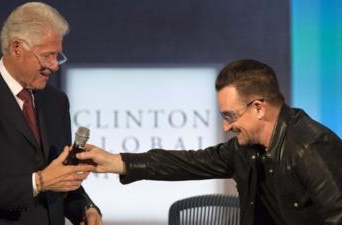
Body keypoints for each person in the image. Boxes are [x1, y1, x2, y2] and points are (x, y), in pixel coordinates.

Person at [77, 59, 342, 225]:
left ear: (259, 108)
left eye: (230, 116)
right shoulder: (245, 148)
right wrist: (118, 162)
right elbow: (189, 162)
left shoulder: (310, 146)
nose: (225, 127)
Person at [0, 2, 103, 225]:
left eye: (58, 55)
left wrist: (86, 209)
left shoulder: (56, 102)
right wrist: (38, 182)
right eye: (47, 55)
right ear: (17, 48)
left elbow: (60, 175)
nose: (55, 65)